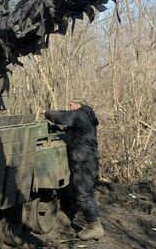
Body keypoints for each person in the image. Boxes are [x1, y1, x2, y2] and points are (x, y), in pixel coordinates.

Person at [42, 100, 105, 240]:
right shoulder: (87, 117)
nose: (70, 107)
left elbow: (66, 116)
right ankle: (94, 224)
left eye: (71, 104)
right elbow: (74, 131)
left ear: (77, 104)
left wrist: (47, 113)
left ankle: (95, 227)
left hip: (84, 162)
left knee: (83, 196)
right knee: (87, 194)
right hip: (89, 161)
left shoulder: (80, 115)